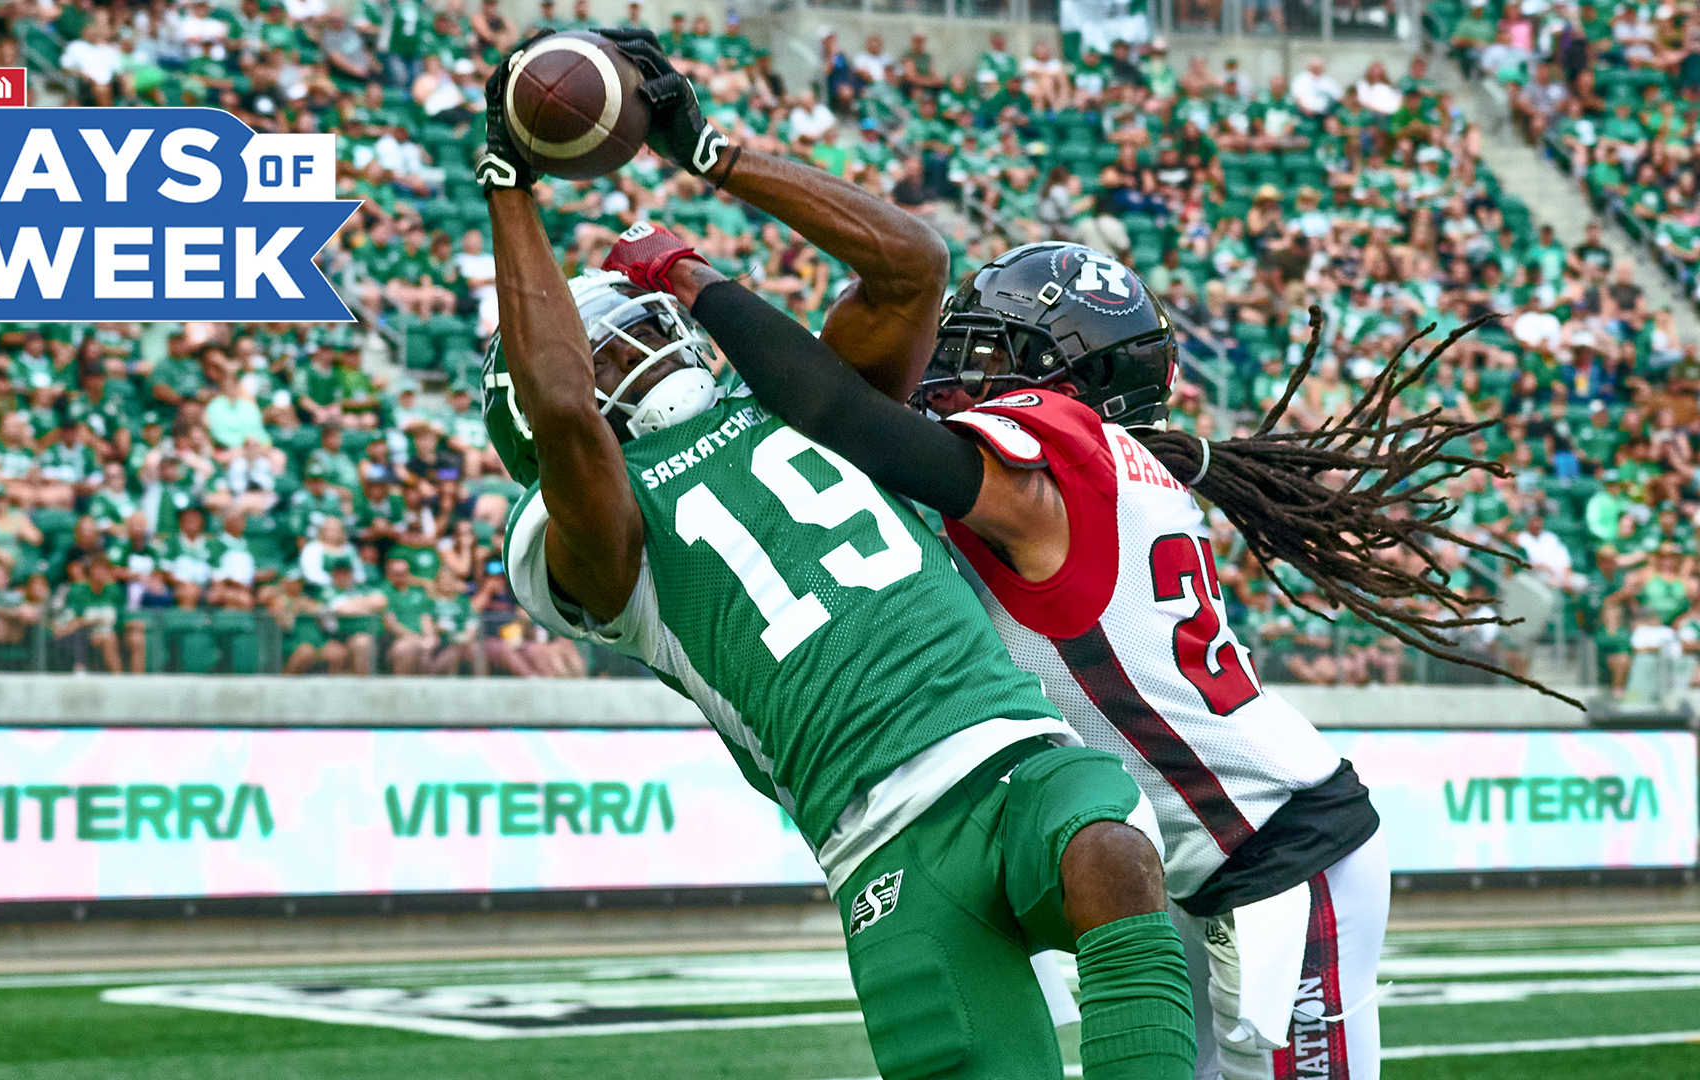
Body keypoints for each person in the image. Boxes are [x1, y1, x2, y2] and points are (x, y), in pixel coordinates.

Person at [601, 182, 1552, 1078]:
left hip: (1275, 852)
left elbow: (841, 412)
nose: (950, 369)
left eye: (983, 350)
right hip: (1193, 861)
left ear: (1055, 376)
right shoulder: (1101, 466)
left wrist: (691, 275)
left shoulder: (1043, 456)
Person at [474, 31, 1196, 1080]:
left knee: (1111, 854)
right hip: (882, 849)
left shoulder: (798, 406)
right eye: (607, 342)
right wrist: (511, 186)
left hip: (1010, 755)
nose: (643, 341)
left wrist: (710, 150)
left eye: (637, 325)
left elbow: (912, 269)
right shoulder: (590, 539)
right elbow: (566, 415)